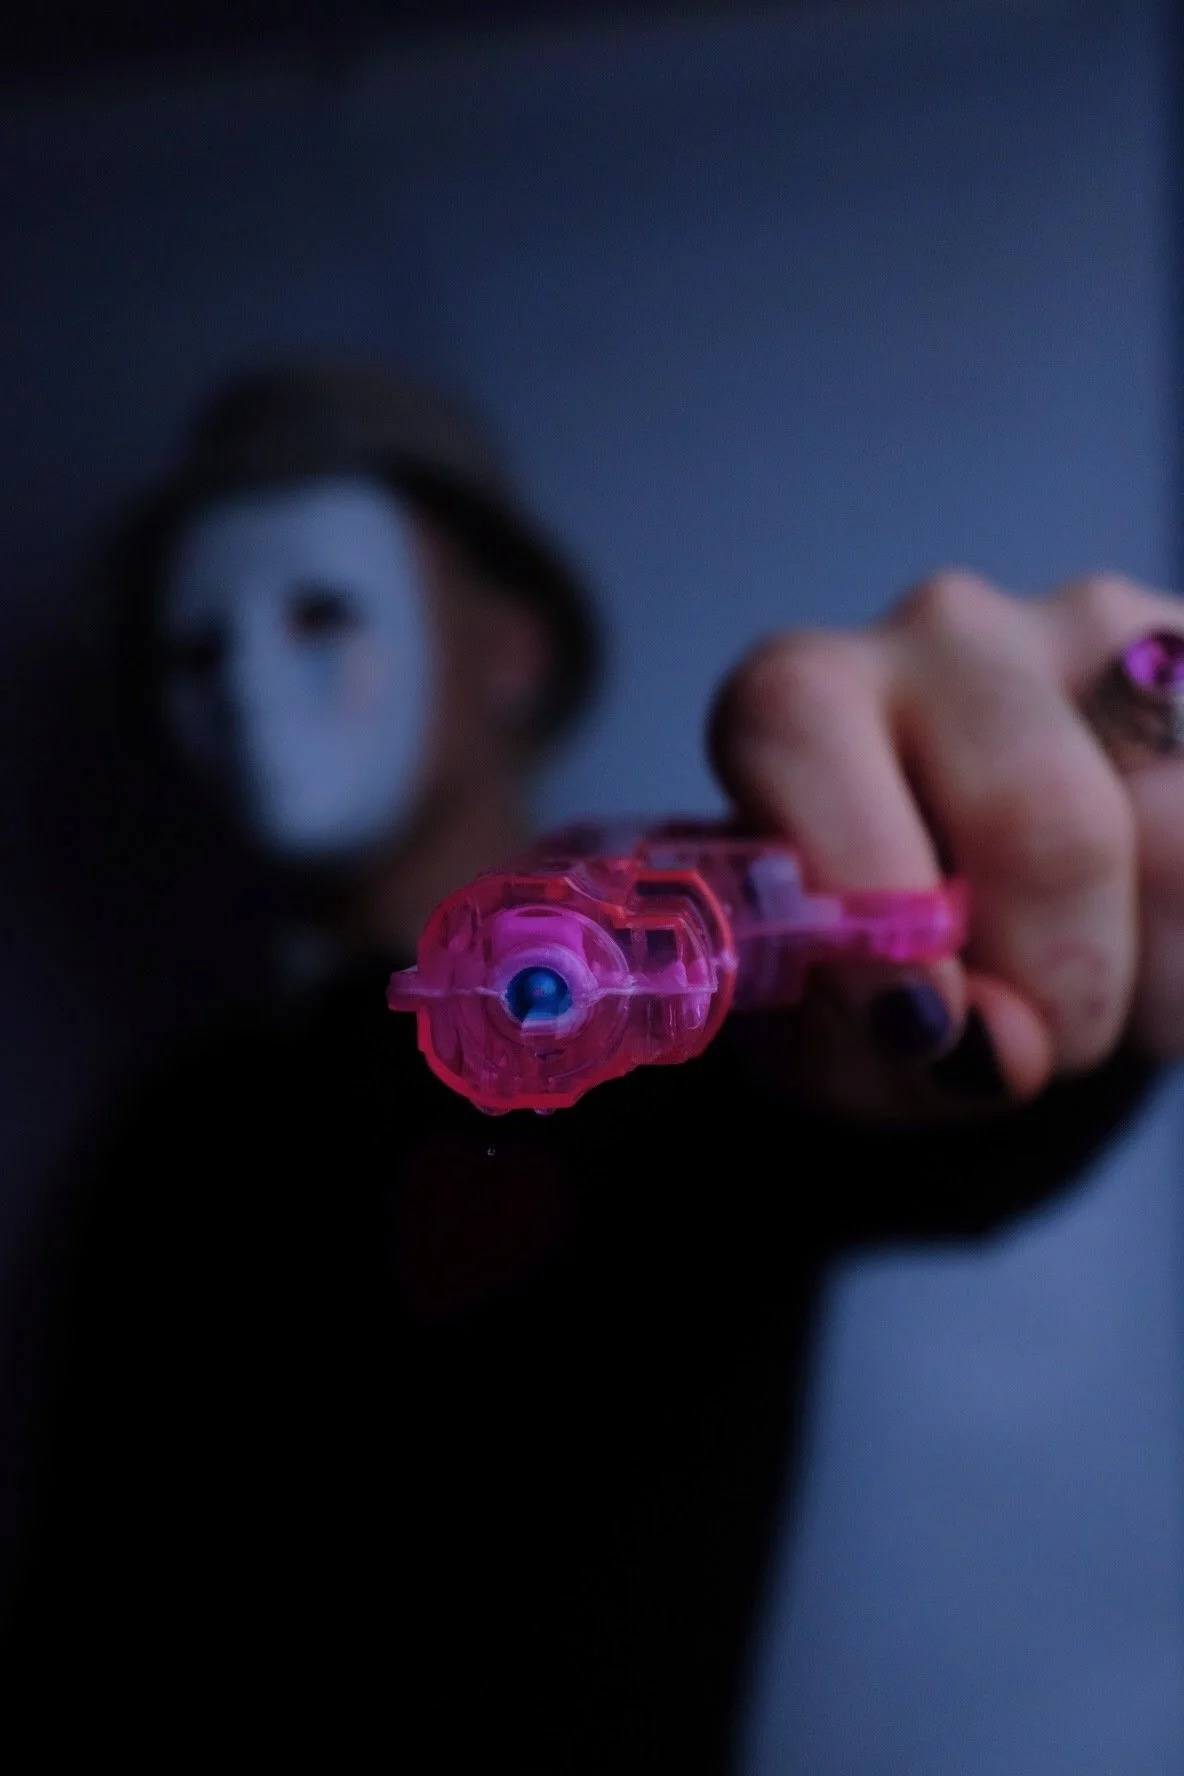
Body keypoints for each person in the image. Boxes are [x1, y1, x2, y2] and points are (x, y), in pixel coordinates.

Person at [3, 361, 1177, 1773]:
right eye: (193, 653)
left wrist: (1099, 822)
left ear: (508, 647)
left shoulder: (723, 1054)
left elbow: (992, 1101)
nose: (248, 688)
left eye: (319, 609)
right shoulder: (174, 1131)